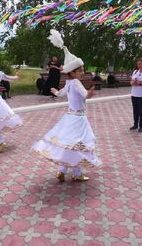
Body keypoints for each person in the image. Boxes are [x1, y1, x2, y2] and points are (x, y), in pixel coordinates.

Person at [32, 29, 101, 182]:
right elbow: (83, 94)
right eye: (80, 70)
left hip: (70, 118)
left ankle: (62, 171)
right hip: (78, 120)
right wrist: (88, 94)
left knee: (68, 145)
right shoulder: (75, 82)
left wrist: (56, 92)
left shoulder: (69, 82)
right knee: (75, 145)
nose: (82, 72)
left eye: (82, 69)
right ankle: (75, 174)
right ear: (72, 72)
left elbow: (61, 93)